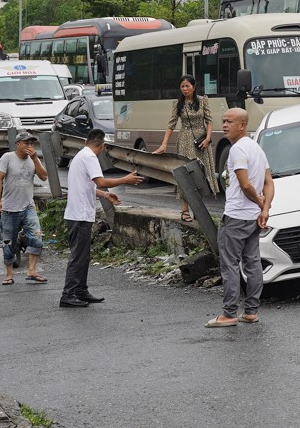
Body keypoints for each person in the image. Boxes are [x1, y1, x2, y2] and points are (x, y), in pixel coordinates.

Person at [206, 108, 274, 328]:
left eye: (229, 122)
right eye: (223, 121)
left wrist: (261, 204)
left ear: (242, 125)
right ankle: (251, 311)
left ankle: (229, 313)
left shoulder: (237, 150)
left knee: (230, 265)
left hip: (236, 216)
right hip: (253, 218)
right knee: (253, 263)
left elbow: (245, 185)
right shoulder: (257, 148)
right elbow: (269, 183)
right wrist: (264, 209)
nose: (224, 125)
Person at [59, 129, 143, 308]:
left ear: (86, 141)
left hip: (77, 214)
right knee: (78, 257)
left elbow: (87, 187)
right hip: (80, 215)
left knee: (83, 256)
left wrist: (105, 196)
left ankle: (80, 291)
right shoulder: (90, 157)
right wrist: (125, 180)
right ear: (103, 145)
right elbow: (101, 181)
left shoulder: (80, 156)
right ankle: (68, 294)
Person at [152, 75, 219, 221]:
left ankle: (198, 210)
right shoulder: (178, 104)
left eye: (187, 86)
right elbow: (171, 124)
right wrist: (164, 144)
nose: (185, 89)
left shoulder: (203, 101)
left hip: (201, 142)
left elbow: (209, 121)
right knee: (185, 175)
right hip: (185, 141)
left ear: (194, 87)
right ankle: (185, 210)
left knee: (199, 175)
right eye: (182, 86)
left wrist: (208, 139)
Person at [0, 131, 49, 285]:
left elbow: (44, 176)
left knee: (36, 236)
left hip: (28, 206)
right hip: (10, 207)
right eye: (26, 143)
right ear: (18, 144)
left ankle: (32, 270)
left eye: (31, 143)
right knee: (8, 242)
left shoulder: (33, 160)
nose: (29, 146)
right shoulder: (7, 158)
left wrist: (36, 159)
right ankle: (9, 274)